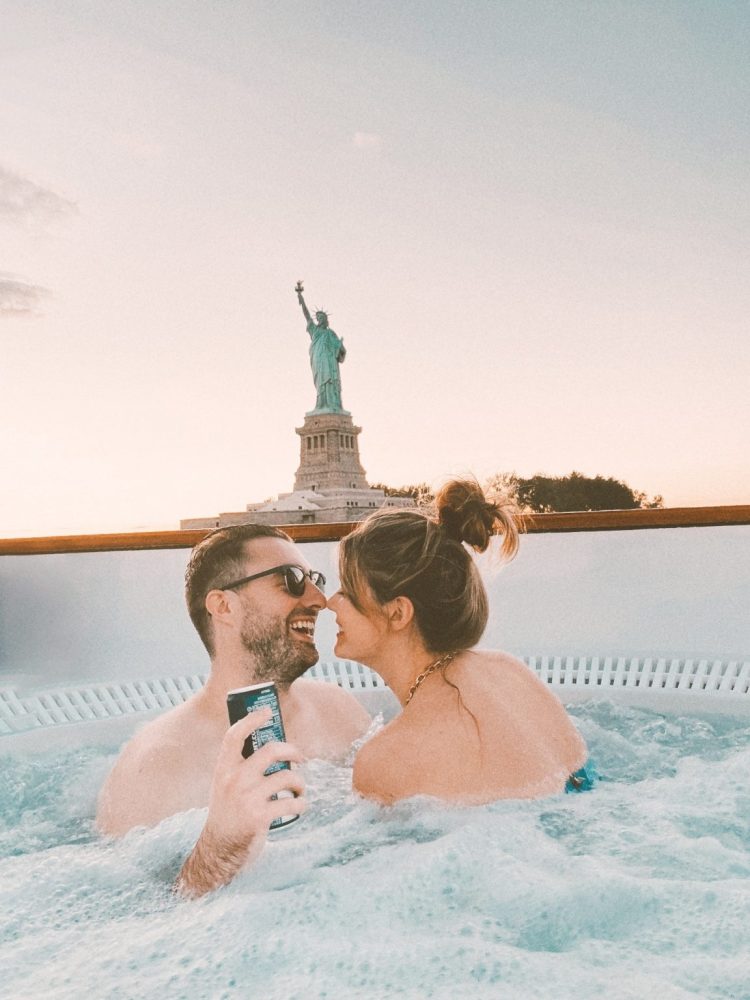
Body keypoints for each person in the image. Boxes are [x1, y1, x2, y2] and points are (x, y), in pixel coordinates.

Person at [96, 523, 371, 897]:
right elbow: (129, 914)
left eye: (314, 579)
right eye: (291, 580)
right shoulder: (154, 767)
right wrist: (219, 848)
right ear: (223, 606)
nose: (318, 599)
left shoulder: (341, 711)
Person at [328, 479, 590, 805]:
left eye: (347, 592)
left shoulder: (383, 761)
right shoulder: (509, 671)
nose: (330, 603)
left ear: (398, 613)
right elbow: (582, 781)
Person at [295, 281, 347, 412]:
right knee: (321, 382)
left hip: (330, 361)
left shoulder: (331, 333)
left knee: (331, 382)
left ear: (326, 319)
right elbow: (307, 316)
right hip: (318, 359)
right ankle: (321, 404)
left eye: (321, 317)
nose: (319, 319)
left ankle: (333, 405)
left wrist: (340, 347)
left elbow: (341, 352)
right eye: (317, 317)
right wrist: (301, 298)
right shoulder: (315, 331)